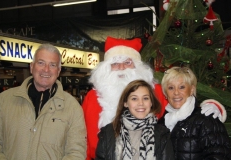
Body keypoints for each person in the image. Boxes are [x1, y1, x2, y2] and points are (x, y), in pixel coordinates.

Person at [82, 36, 226, 160]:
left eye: (127, 62)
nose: (121, 67)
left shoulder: (154, 91)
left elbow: (179, 103)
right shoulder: (92, 97)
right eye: (115, 63)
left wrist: (212, 106)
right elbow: (83, 139)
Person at [0, 44, 87, 160]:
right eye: (41, 63)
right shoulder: (3, 100)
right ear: (31, 67)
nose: (46, 69)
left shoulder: (73, 108)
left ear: (58, 71)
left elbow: (76, 153)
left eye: (52, 65)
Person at [161, 66, 231, 159]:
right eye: (171, 88)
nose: (176, 92)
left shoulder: (206, 119)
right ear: (165, 93)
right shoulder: (162, 122)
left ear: (192, 90)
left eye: (182, 87)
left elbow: (220, 156)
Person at [95, 80, 174, 160]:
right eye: (134, 99)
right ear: (125, 103)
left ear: (151, 103)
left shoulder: (163, 135)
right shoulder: (108, 132)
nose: (141, 103)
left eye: (145, 98)